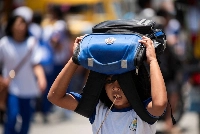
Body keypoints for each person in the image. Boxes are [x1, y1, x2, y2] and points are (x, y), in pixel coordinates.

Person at [47, 35, 167, 134]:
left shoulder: (143, 112)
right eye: (109, 81)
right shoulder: (97, 110)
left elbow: (160, 104)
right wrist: (74, 60)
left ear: (135, 83)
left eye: (122, 82)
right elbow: (55, 97)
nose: (115, 87)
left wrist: (152, 60)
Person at [0, 14, 46, 134]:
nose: (22, 26)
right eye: (18, 23)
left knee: (26, 119)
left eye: (23, 23)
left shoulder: (31, 43)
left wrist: (41, 78)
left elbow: (36, 64)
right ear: (11, 26)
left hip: (29, 88)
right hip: (12, 87)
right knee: (12, 116)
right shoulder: (4, 43)